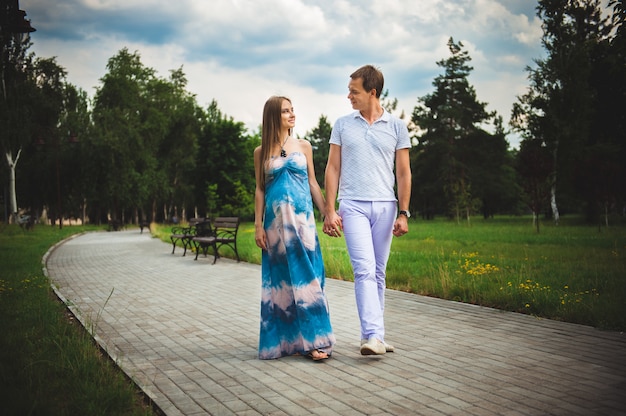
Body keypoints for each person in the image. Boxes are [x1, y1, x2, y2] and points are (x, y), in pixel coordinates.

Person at [323, 65, 412, 356]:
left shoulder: (397, 127)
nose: (348, 96)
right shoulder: (343, 124)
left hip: (386, 207)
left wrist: (404, 212)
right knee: (363, 270)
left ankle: (375, 335)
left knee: (378, 272)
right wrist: (329, 209)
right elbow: (332, 168)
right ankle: (373, 335)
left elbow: (403, 173)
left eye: (354, 91)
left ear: (372, 92)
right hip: (353, 206)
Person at [254, 96, 335, 361]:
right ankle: (288, 341)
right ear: (273, 117)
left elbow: (312, 182)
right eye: (285, 111)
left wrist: (328, 213)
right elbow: (260, 189)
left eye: (292, 110)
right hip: (276, 227)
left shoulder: (304, 146)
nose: (292, 114)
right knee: (282, 282)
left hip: (303, 224)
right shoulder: (260, 152)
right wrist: (258, 226)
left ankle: (316, 340)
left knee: (308, 278)